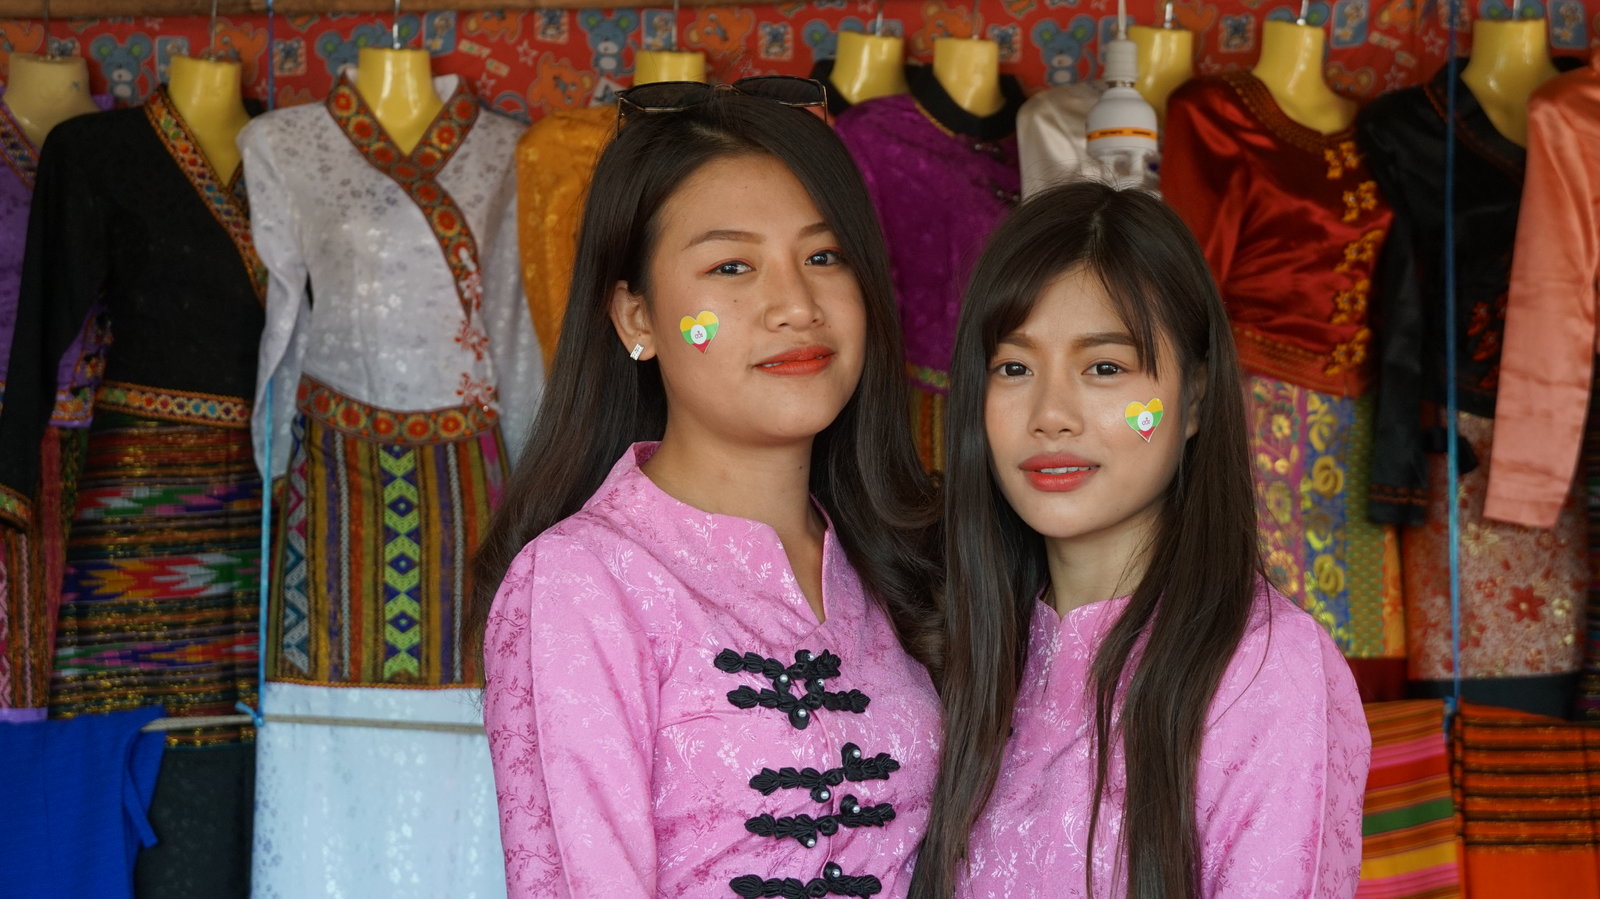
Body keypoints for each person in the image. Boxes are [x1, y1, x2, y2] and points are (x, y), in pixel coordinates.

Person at [474, 86, 944, 898]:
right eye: (732, 266)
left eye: (825, 257)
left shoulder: (895, 565)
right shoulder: (582, 583)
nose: (796, 305)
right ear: (636, 318)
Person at [912, 182, 1370, 898]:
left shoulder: (1264, 668)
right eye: (1014, 368)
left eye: (1105, 367)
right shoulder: (960, 651)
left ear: (1195, 398)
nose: (1051, 413)